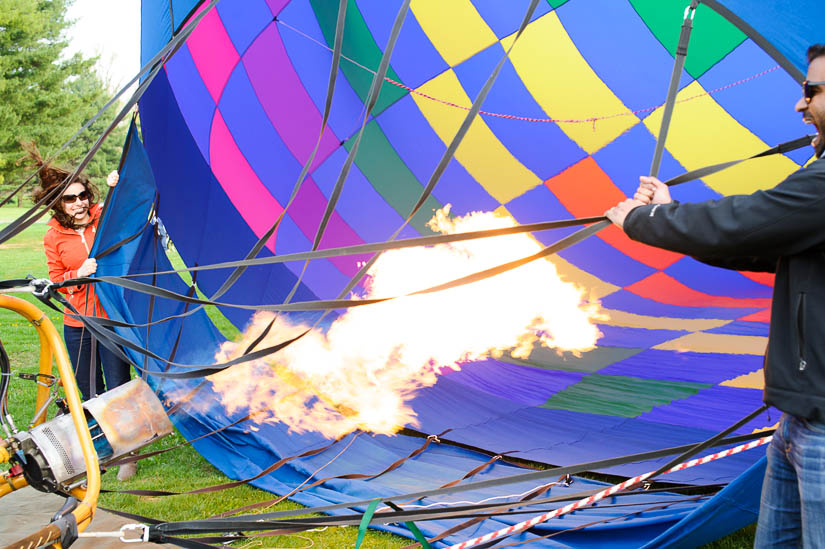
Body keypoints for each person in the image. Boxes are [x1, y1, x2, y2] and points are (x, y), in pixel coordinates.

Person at [604, 44, 825, 547]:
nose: (799, 104)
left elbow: (749, 221)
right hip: (803, 416)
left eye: (810, 90)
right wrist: (672, 213)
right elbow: (765, 242)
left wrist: (645, 221)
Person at [27, 144, 137, 481]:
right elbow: (57, 278)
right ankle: (102, 449)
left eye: (82, 195)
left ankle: (128, 454)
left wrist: (119, 182)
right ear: (57, 205)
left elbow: (126, 207)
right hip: (78, 322)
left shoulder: (100, 218)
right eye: (70, 199)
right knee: (90, 391)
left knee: (118, 386)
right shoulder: (53, 237)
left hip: (109, 317)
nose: (80, 203)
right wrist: (78, 275)